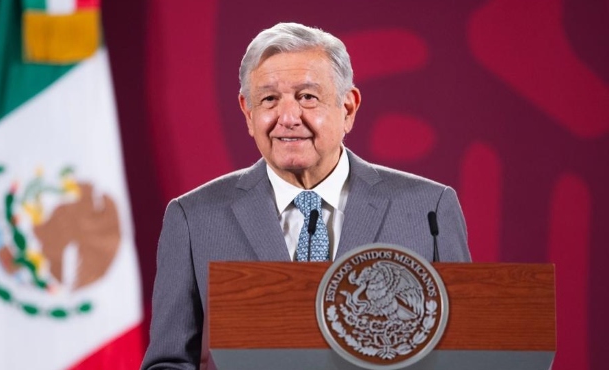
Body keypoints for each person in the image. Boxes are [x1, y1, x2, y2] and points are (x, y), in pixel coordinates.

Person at [140, 22, 471, 369]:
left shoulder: (428, 210)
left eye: (307, 97)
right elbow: (169, 362)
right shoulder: (195, 219)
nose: (287, 117)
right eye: (269, 99)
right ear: (248, 112)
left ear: (348, 108)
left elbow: (470, 350)